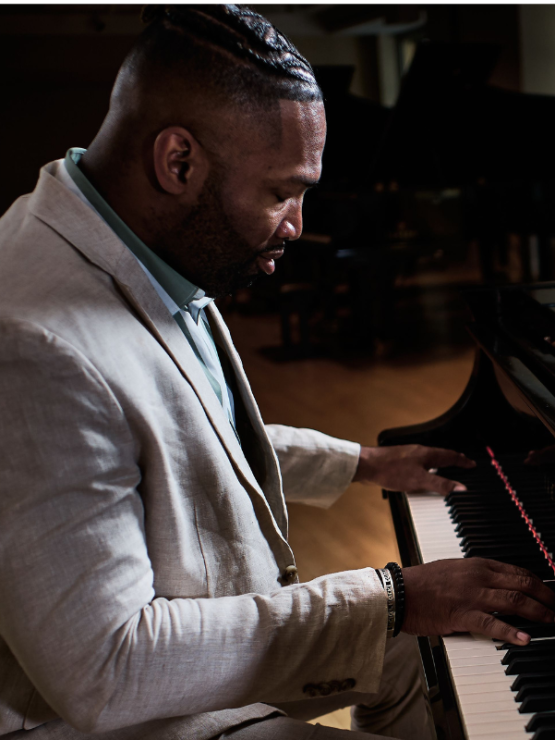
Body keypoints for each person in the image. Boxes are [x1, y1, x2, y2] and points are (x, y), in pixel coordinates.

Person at [1, 6, 554, 740]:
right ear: (179, 162)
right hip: (81, 714)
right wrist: (390, 598)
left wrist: (359, 462)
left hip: (152, 656)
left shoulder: (123, 243)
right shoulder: (32, 341)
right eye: (280, 193)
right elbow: (106, 668)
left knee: (431, 660)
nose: (295, 224)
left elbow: (178, 428)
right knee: (407, 635)